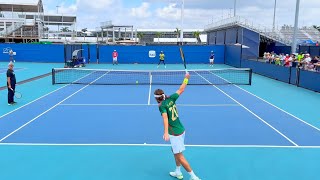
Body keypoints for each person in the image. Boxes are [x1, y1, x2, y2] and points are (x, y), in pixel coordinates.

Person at [154, 73, 201, 180]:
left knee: (180, 155)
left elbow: (165, 119)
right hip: (181, 130)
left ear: (157, 99)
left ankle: (194, 177)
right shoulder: (171, 98)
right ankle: (178, 172)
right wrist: (186, 78)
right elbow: (181, 89)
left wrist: (165, 132)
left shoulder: (162, 106)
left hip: (175, 133)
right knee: (174, 151)